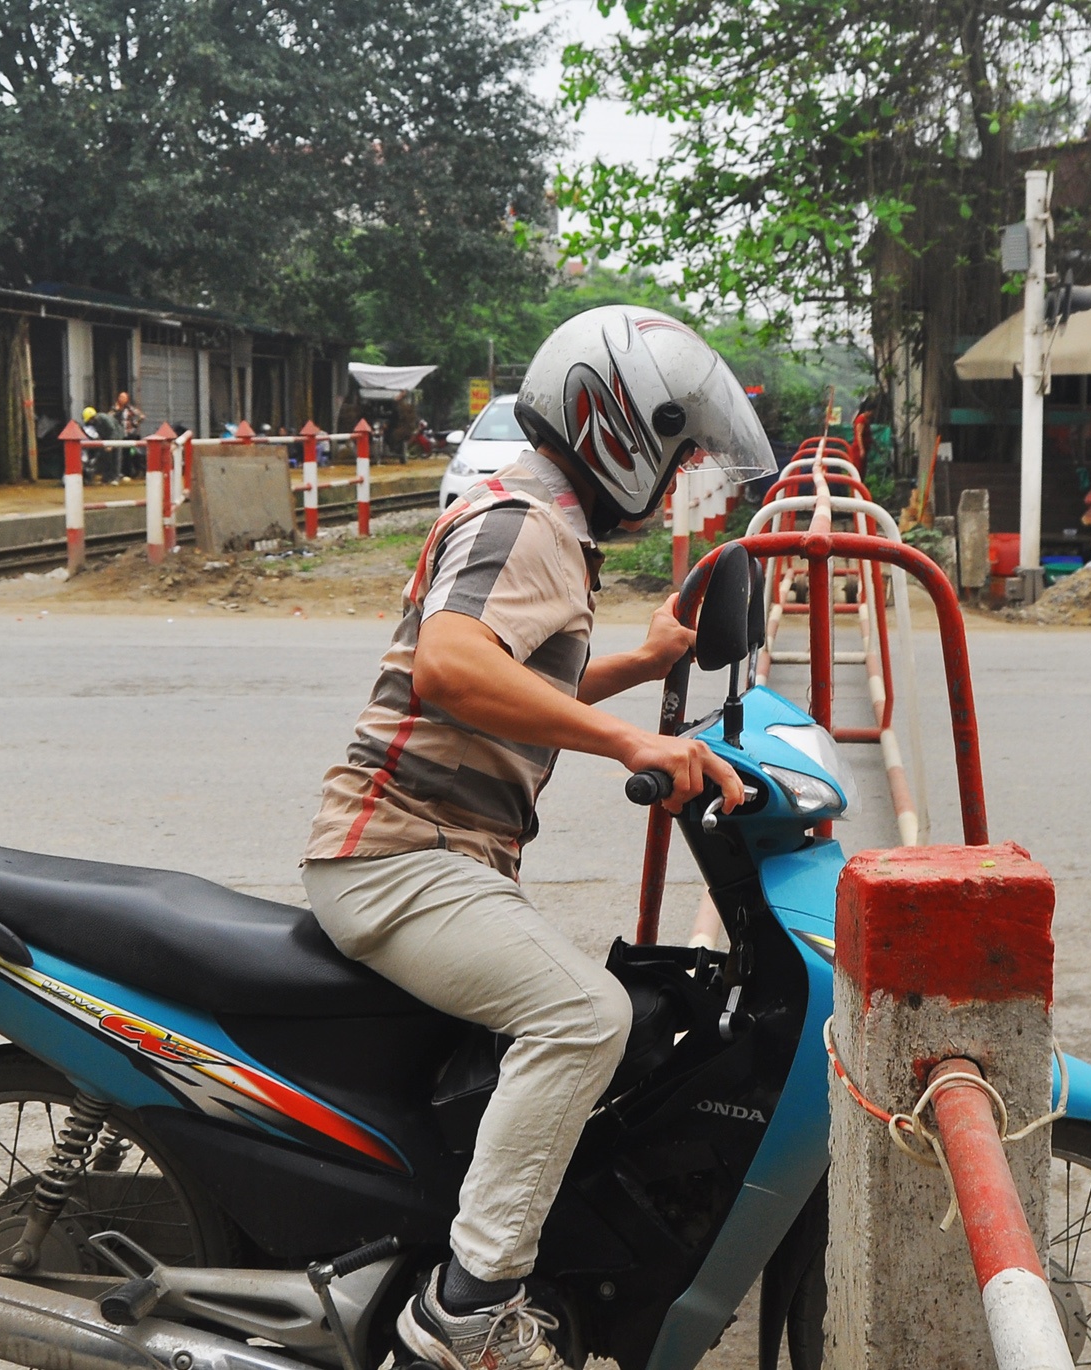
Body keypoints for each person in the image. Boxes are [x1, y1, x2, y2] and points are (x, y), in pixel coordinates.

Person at [300, 307, 769, 1370]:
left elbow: (518, 676)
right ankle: (463, 1315)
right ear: (621, 430)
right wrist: (617, 740)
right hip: (399, 854)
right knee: (584, 1014)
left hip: (431, 854)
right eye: (681, 445)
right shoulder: (526, 521)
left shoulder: (546, 522)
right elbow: (452, 667)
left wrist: (641, 670)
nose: (686, 468)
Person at [112, 392, 147, 481]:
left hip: (129, 435)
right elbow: (109, 416)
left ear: (127, 399)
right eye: (120, 397)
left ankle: (128, 472)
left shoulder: (130, 409)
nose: (121, 399)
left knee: (129, 454)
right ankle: (119, 473)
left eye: (124, 397)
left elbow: (142, 416)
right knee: (119, 454)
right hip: (118, 434)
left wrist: (134, 425)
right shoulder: (115, 408)